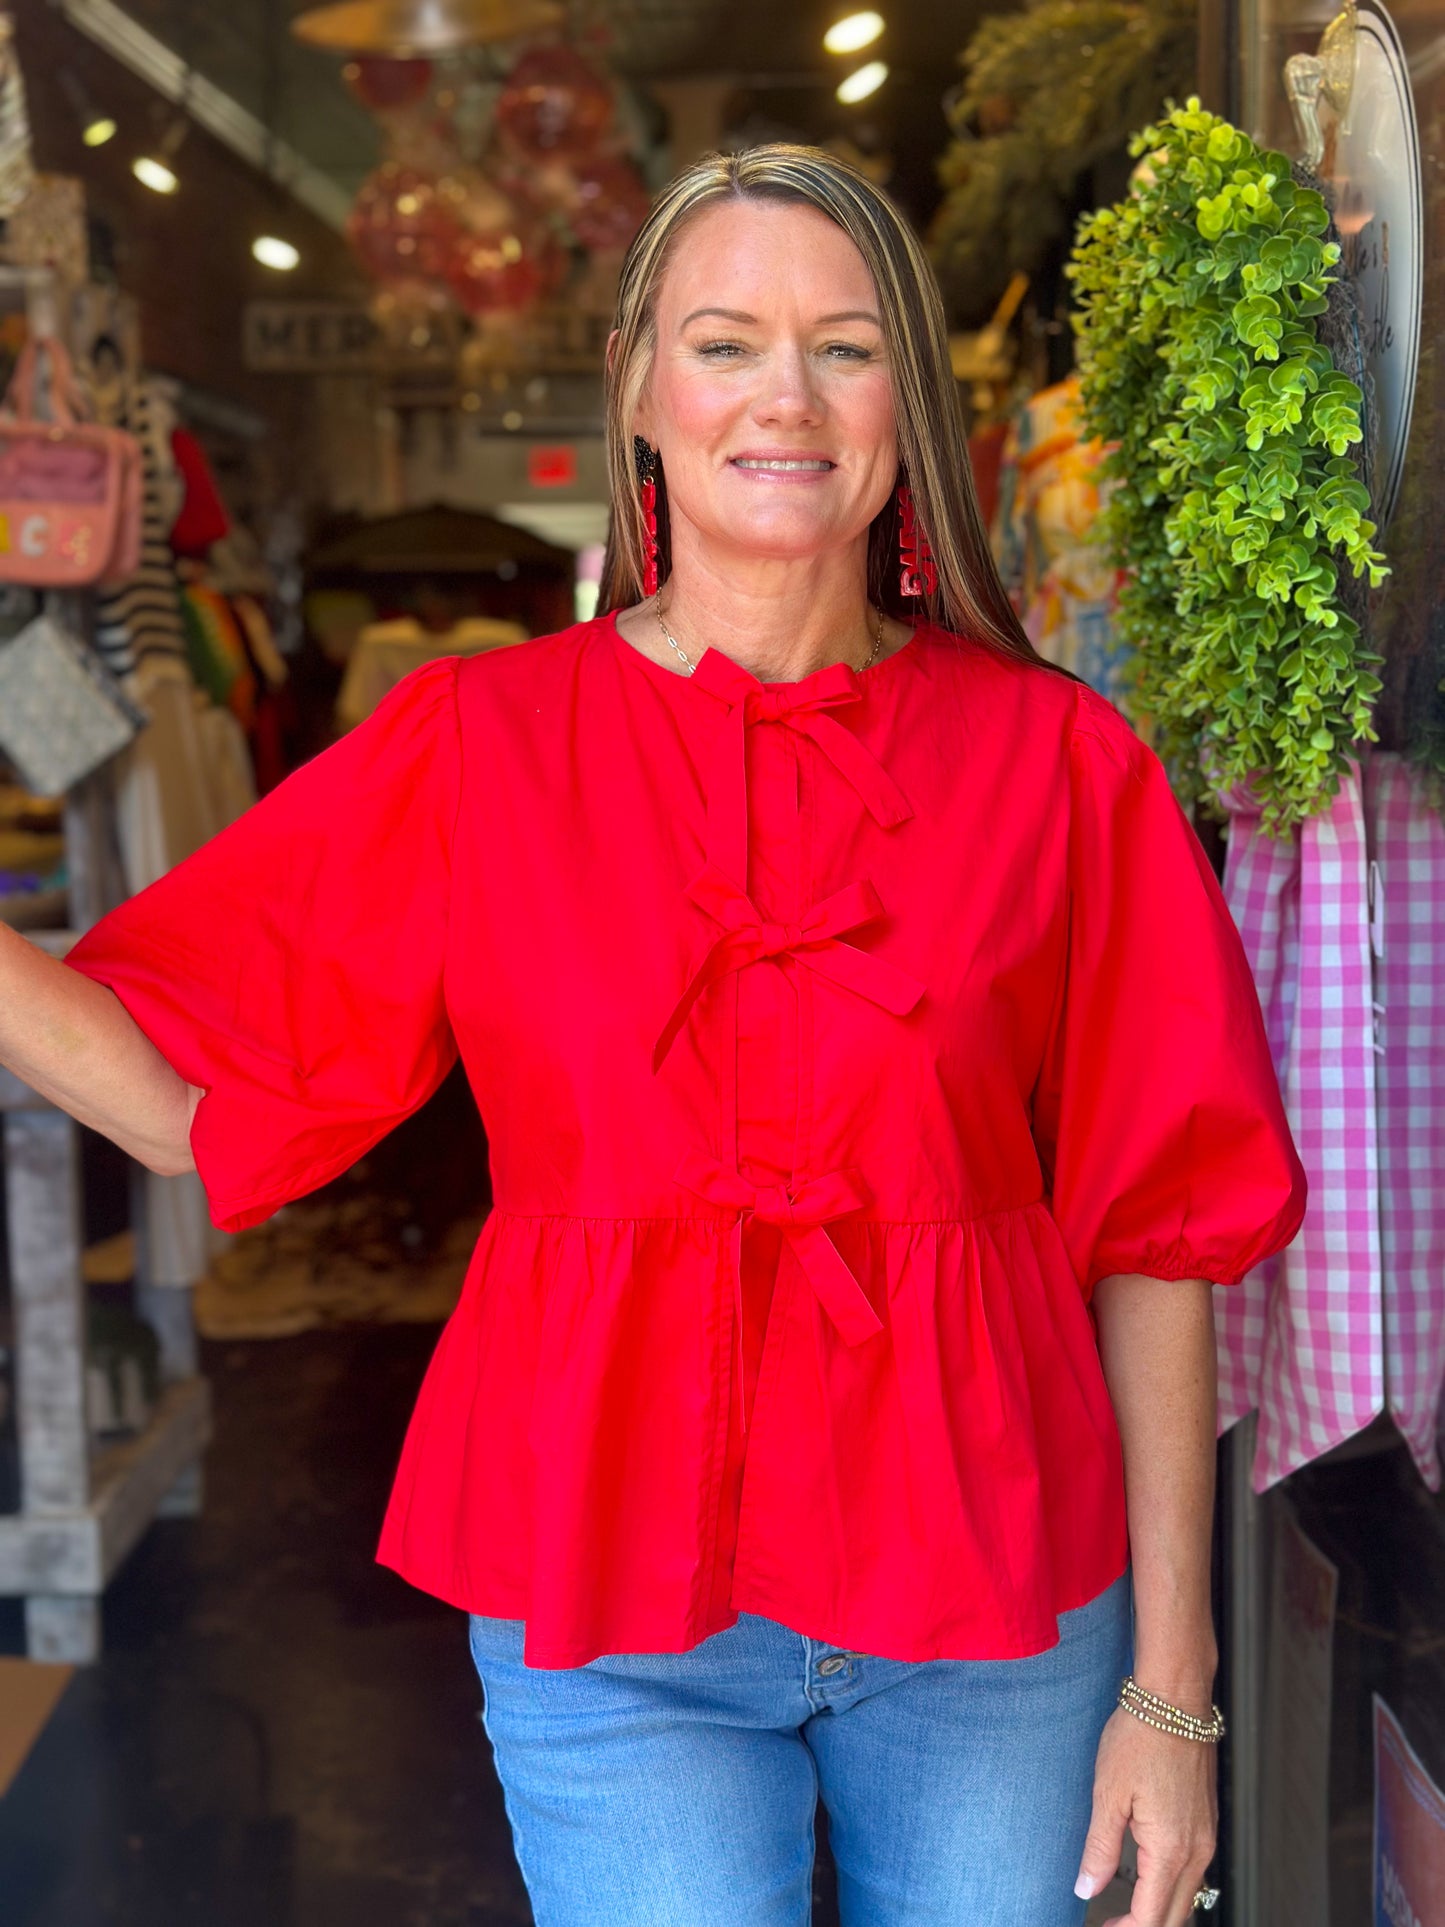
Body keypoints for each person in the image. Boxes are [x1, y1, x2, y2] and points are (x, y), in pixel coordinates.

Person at [0, 145, 1304, 1927]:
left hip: (997, 1595)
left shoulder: (1062, 764)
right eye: (724, 342)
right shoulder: (475, 743)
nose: (786, 396)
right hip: (613, 1604)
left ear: (908, 405)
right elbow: (185, 1099)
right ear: (635, 390)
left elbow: (1160, 1234)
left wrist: (1173, 1687)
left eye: (845, 347)